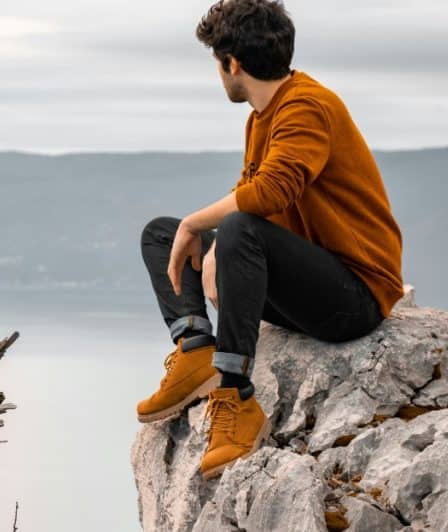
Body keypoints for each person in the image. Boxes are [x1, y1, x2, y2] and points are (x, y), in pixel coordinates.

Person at [135, 0, 405, 482]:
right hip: (304, 286)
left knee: (223, 228)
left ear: (231, 63)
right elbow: (254, 199)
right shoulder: (262, 116)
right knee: (160, 233)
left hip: (355, 298)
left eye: (217, 64)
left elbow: (269, 193)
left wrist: (200, 226)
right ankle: (196, 349)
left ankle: (236, 395)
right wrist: (214, 245)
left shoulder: (307, 105)